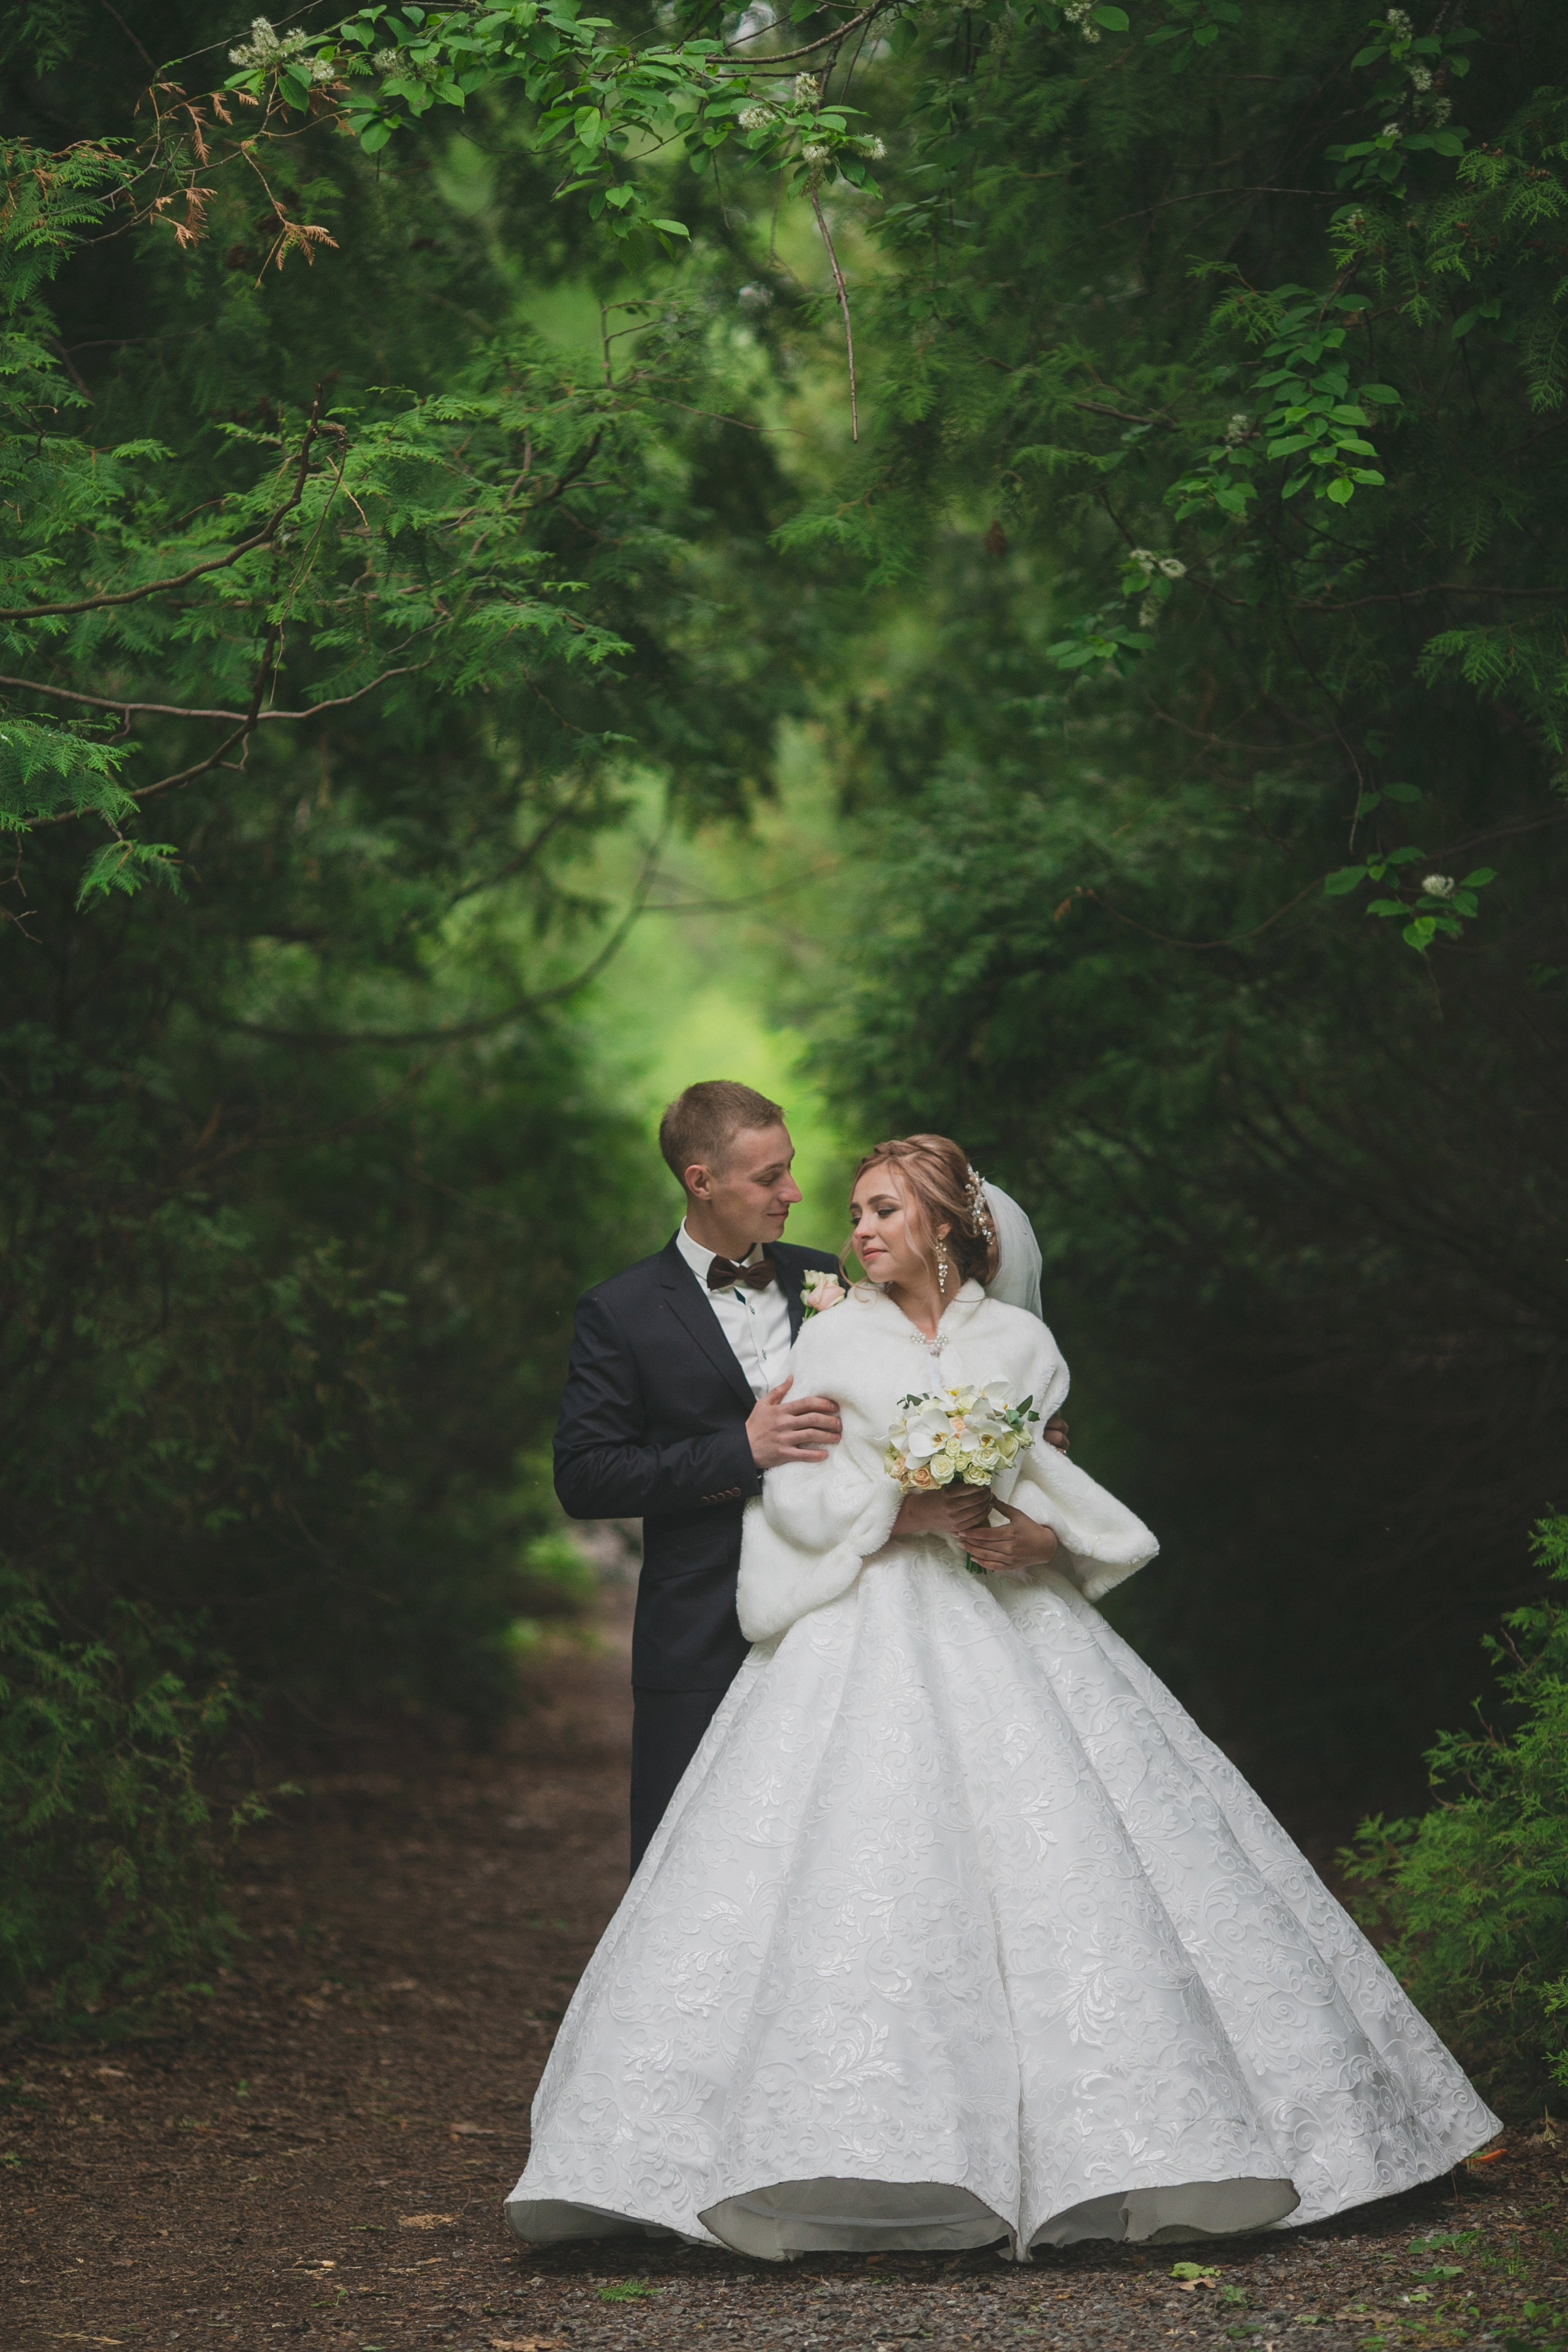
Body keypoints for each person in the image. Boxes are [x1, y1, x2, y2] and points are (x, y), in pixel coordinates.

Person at [510, 1132, 1499, 2261]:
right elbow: (796, 1496)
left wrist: (1043, 1538)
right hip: (868, 1619)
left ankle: (1133, 2144)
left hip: (1010, 1613)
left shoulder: (1024, 1346)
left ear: (945, 1224)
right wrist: (897, 1513)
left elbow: (1047, 1475)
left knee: (1072, 1853)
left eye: (883, 1210)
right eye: (855, 1211)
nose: (856, 1228)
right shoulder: (829, 1335)